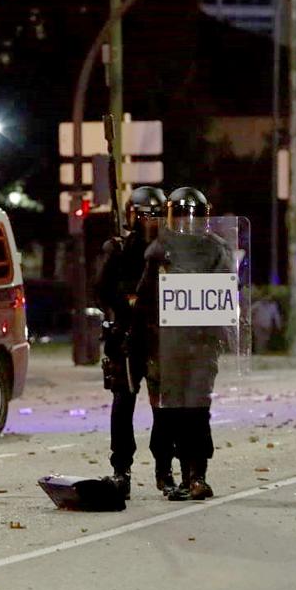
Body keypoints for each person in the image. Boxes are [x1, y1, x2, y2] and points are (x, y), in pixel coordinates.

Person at [134, 186, 234, 502]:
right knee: (169, 412)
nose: (186, 222)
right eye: (180, 215)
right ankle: (166, 472)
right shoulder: (159, 250)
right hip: (167, 346)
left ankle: (197, 474)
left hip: (202, 344)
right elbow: (145, 298)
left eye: (192, 215)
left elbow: (225, 293)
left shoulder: (217, 250)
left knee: (197, 409)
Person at [95, 186, 168, 498]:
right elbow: (101, 289)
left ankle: (164, 469)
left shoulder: (169, 250)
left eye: (156, 215)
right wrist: (125, 307)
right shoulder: (120, 250)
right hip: (126, 338)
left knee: (164, 408)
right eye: (145, 216)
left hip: (159, 339)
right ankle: (121, 469)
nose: (150, 222)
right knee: (123, 403)